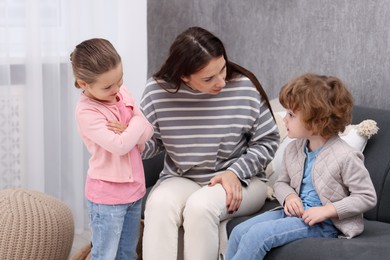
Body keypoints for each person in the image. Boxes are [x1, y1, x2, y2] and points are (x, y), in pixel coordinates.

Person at [140, 26, 280, 260]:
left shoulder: (243, 88)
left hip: (241, 181)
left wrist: (235, 172)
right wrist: (128, 141)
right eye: (208, 78)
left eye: (222, 69)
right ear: (184, 76)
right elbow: (153, 143)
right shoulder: (157, 92)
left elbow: (267, 141)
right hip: (183, 177)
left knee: (200, 207)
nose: (221, 82)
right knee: (158, 204)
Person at [226, 73, 377, 260]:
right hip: (294, 213)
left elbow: (366, 197)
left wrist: (327, 211)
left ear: (317, 122)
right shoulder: (294, 149)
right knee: (239, 231)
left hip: (325, 223)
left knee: (258, 235)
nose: (284, 119)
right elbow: (281, 183)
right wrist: (288, 197)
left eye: (291, 114)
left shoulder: (346, 156)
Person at [70, 38, 154, 260]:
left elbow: (149, 131)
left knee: (128, 253)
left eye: (120, 80)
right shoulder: (86, 112)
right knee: (105, 254)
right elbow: (121, 146)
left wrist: (129, 128)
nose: (117, 89)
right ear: (83, 84)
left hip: (135, 191)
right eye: (108, 86)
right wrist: (135, 123)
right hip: (107, 199)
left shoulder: (121, 91)